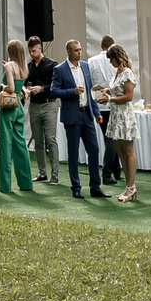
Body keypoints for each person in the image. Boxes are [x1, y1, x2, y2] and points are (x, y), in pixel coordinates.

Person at [53, 37, 100, 198]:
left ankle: (95, 187)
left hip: (87, 114)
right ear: (68, 52)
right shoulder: (60, 69)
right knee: (73, 152)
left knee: (94, 149)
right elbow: (54, 91)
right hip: (72, 115)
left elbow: (90, 91)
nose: (79, 53)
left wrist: (97, 112)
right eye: (76, 50)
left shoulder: (85, 66)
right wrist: (71, 92)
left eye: (80, 50)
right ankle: (76, 187)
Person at [0, 39, 35, 194]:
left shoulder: (9, 66)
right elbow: (18, 86)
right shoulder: (23, 67)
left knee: (5, 146)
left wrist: (2, 86)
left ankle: (5, 185)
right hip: (19, 105)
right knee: (20, 144)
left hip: (8, 106)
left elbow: (10, 87)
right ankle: (26, 182)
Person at [105, 45, 142, 202]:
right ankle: (128, 186)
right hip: (115, 116)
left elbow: (128, 96)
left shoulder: (127, 72)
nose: (110, 62)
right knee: (119, 152)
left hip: (124, 116)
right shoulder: (117, 73)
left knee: (128, 152)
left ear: (117, 58)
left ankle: (131, 186)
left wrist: (109, 99)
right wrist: (107, 91)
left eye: (111, 59)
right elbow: (117, 91)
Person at [24, 36, 60, 186]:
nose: (32, 54)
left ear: (40, 48)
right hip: (34, 105)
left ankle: (55, 175)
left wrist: (42, 88)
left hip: (48, 104)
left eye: (34, 51)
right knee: (38, 141)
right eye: (30, 51)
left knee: (50, 139)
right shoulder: (29, 67)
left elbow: (57, 86)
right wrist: (26, 91)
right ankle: (42, 173)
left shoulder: (52, 65)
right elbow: (24, 84)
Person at [88, 39, 122, 187]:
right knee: (112, 139)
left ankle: (115, 169)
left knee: (110, 138)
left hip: (100, 104)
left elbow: (89, 82)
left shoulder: (92, 61)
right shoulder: (117, 62)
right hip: (114, 103)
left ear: (101, 46)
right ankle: (108, 173)